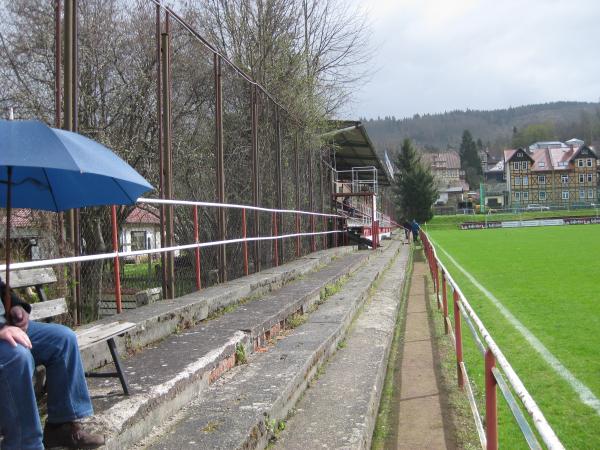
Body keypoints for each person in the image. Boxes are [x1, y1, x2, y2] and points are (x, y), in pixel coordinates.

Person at [0, 279, 104, 449]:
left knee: (63, 339)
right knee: (18, 355)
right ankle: (24, 445)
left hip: (5, 325)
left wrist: (16, 306)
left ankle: (60, 427)